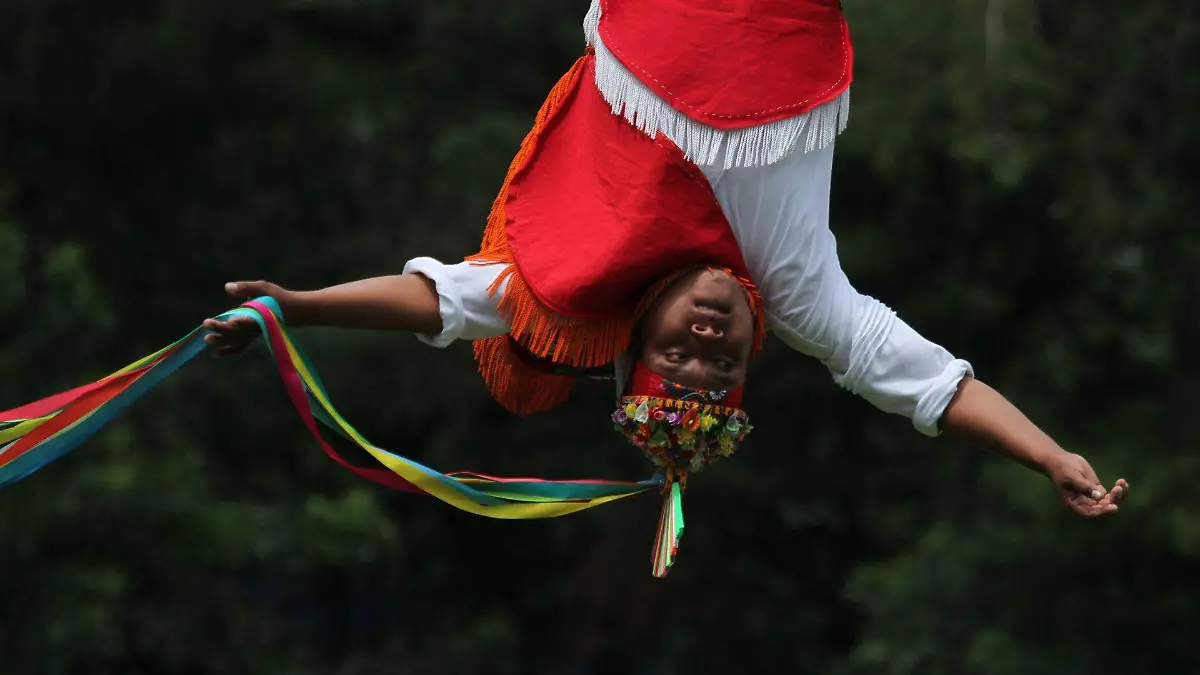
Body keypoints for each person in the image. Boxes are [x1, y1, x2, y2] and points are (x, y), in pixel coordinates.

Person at [203, 0, 1128, 519]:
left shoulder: (578, 280)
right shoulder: (800, 299)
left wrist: (298, 304)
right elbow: (926, 387)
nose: (706, 343)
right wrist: (1047, 452)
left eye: (675, 356)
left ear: (629, 338)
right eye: (720, 367)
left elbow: (439, 301)